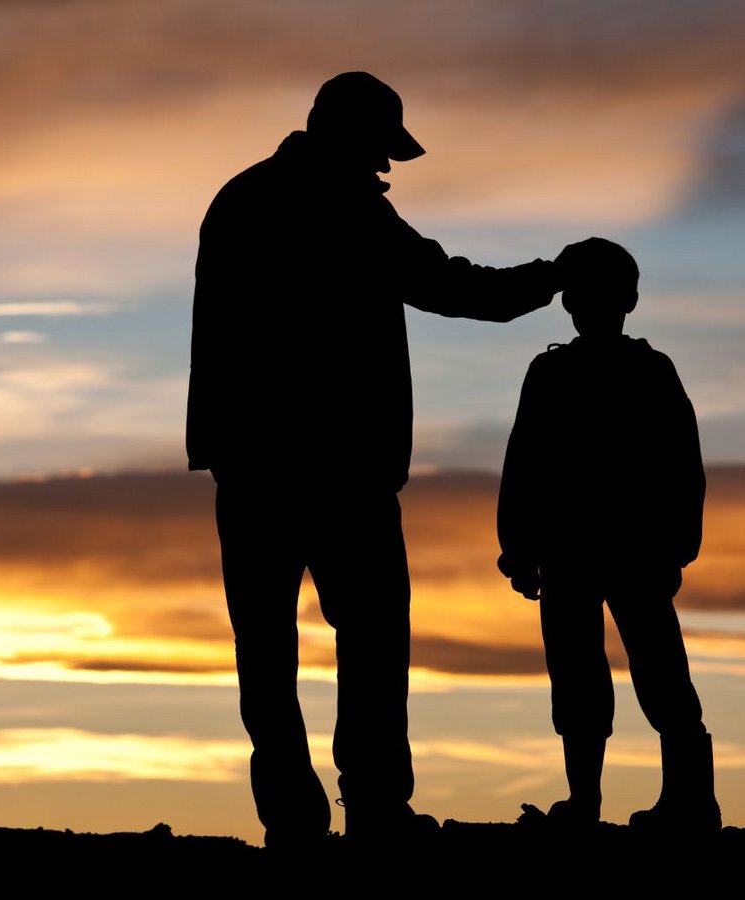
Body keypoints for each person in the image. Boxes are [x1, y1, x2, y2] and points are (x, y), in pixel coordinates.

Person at [187, 71, 563, 849]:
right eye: (380, 151)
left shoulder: (240, 198)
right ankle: (378, 813)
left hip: (252, 466)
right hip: (342, 470)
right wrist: (554, 276)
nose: (385, 168)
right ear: (350, 138)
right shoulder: (349, 210)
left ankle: (296, 821)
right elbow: (458, 288)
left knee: (266, 651)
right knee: (371, 640)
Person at [496, 237, 721, 834]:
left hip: (626, 552)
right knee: (585, 677)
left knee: (654, 674)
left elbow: (682, 466)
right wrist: (518, 547)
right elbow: (524, 464)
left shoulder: (642, 372)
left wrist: (676, 546)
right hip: (578, 553)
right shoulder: (557, 373)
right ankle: (592, 802)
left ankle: (685, 801)